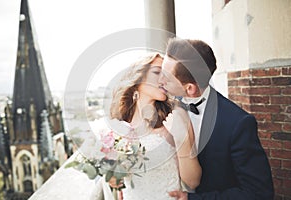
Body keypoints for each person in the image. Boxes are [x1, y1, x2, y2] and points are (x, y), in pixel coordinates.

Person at [158, 38, 274, 199]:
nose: (160, 80)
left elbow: (258, 193)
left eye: (166, 77)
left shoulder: (237, 124)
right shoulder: (163, 105)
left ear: (190, 88)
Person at [108, 53, 202, 199]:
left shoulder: (176, 115)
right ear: (139, 76)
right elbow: (118, 179)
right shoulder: (119, 122)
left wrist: (181, 138)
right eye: (158, 72)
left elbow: (193, 182)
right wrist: (114, 177)